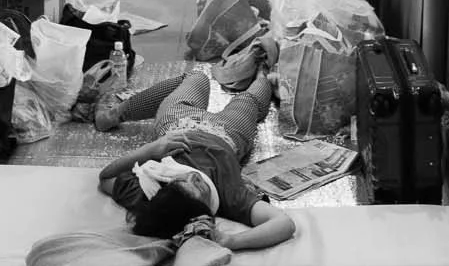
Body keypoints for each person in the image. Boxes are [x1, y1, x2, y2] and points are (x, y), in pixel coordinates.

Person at [92, 44, 296, 251]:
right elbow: (283, 223)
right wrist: (230, 241)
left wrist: (151, 150)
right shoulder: (230, 196)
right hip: (228, 134)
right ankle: (263, 69)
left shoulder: (149, 193)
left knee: (196, 78)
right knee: (250, 100)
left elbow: (106, 178)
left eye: (181, 181)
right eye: (199, 188)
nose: (195, 177)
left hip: (179, 123)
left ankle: (113, 115)